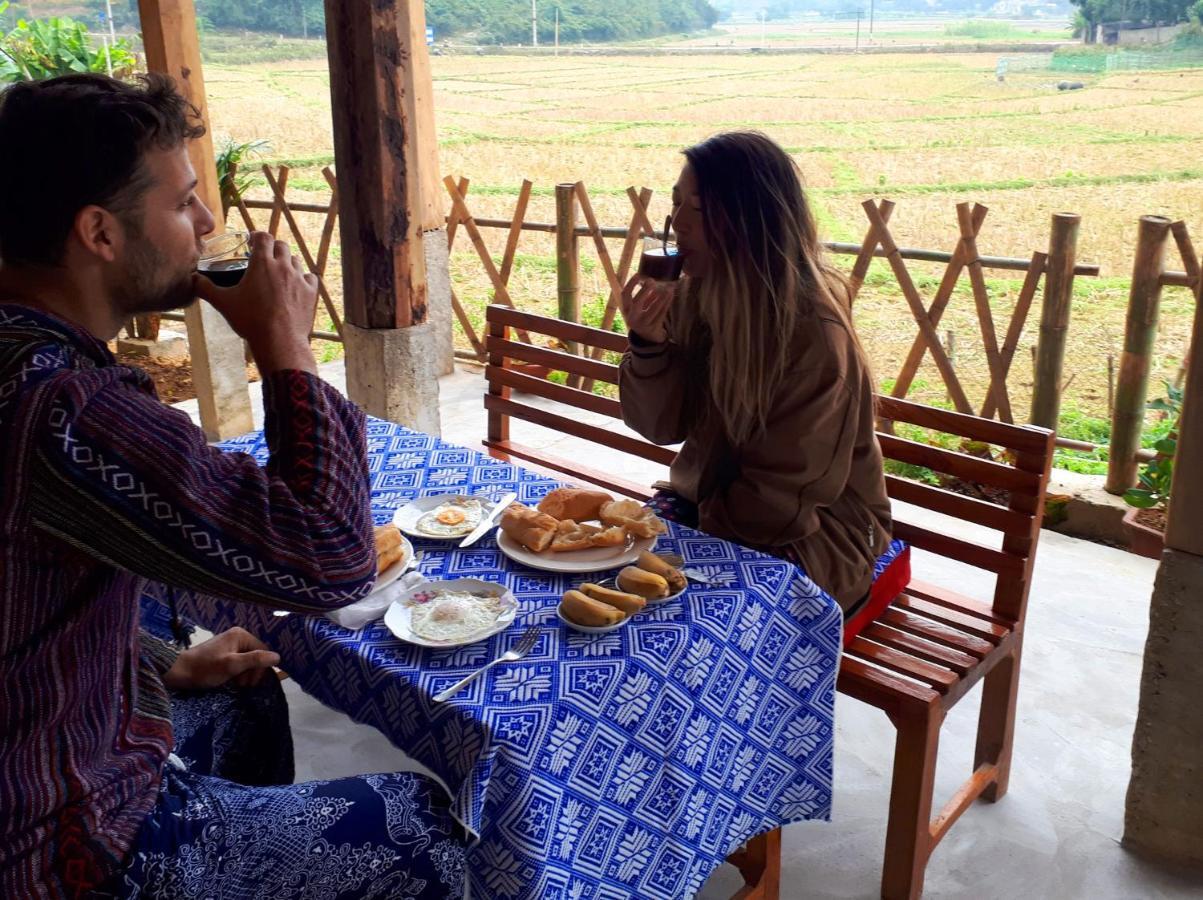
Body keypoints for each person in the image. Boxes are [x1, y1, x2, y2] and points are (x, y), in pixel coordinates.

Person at [0, 74, 465, 898]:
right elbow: (330, 558)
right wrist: (285, 348)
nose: (209, 223)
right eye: (184, 203)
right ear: (100, 233)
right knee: (423, 827)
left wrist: (160, 663)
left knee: (243, 692)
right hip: (59, 846)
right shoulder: (65, 410)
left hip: (45, 743)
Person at [619, 131, 891, 614]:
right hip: (714, 508)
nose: (678, 224)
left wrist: (691, 543)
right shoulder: (698, 297)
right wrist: (649, 345)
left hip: (819, 534)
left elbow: (781, 499)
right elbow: (658, 427)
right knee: (605, 573)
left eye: (698, 210)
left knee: (684, 618)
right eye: (676, 204)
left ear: (752, 220)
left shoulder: (814, 334)